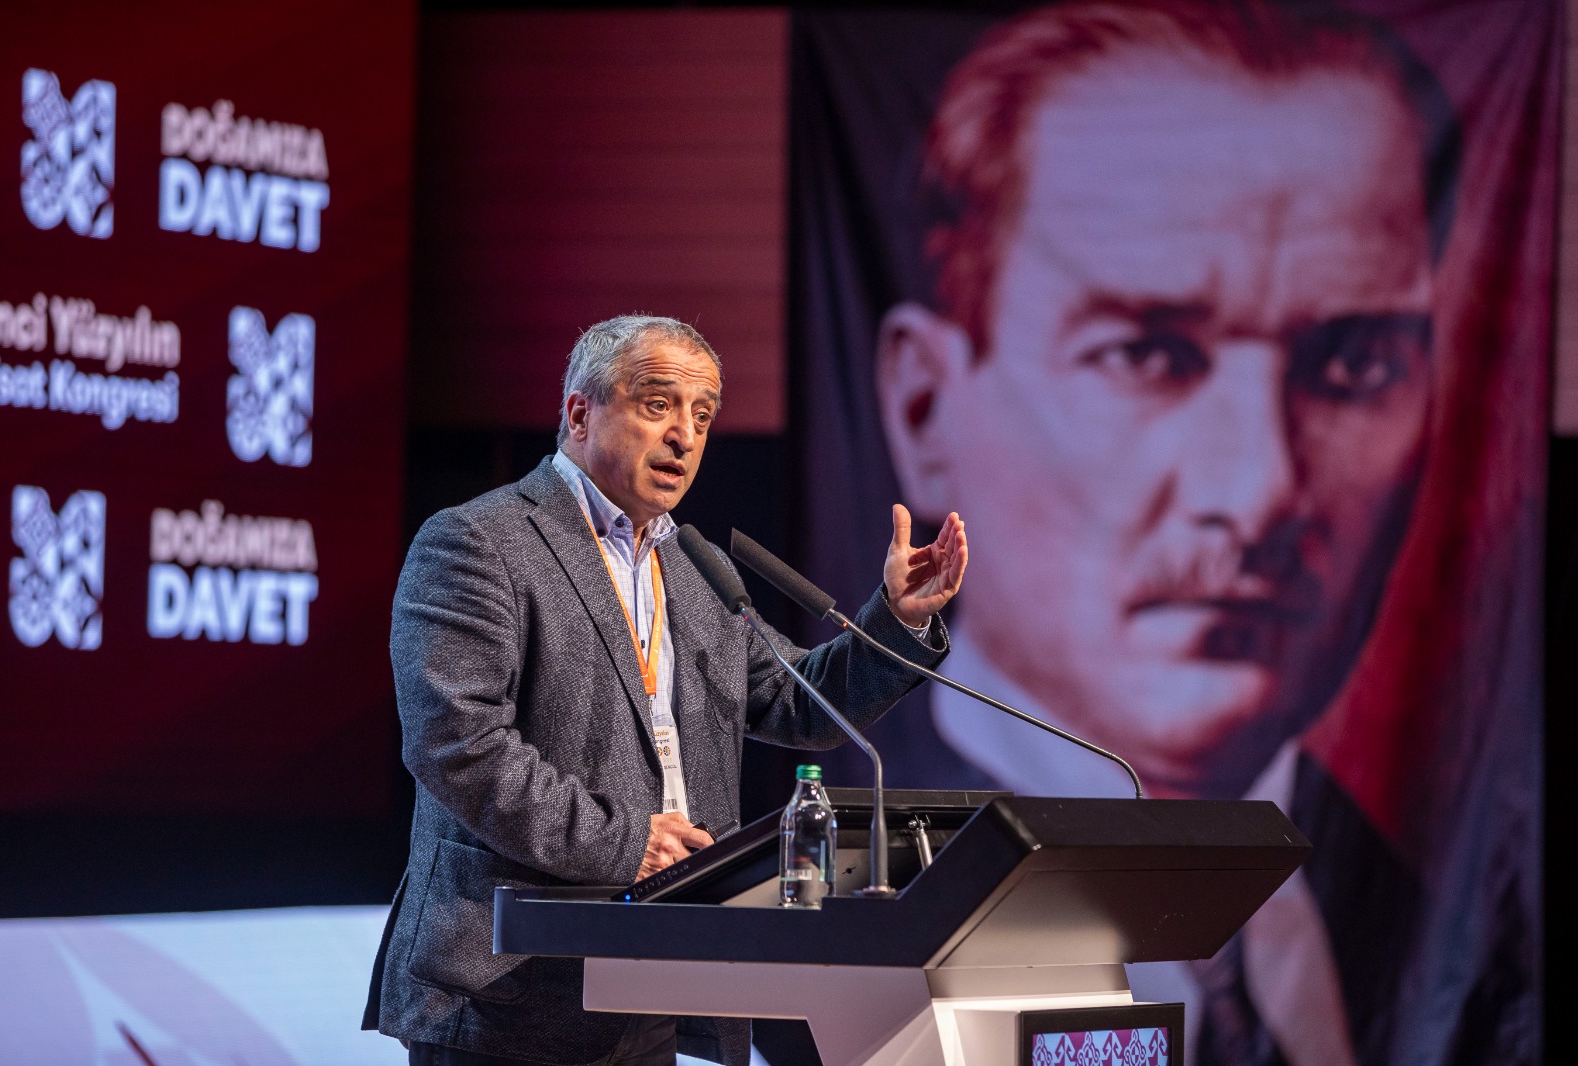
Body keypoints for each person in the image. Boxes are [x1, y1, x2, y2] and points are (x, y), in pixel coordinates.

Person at [872, 3, 1464, 1064]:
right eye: (1144, 354)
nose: (1261, 490)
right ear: (926, 409)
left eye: (1352, 363)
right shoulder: (846, 907)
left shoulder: (1452, 927)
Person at [364, 315, 968, 1066]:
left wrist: (897, 623)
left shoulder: (691, 565)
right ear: (580, 413)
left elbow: (798, 701)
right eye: (658, 405)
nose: (685, 435)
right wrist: (625, 845)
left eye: (703, 415)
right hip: (511, 988)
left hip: (652, 975)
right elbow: (459, 748)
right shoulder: (478, 543)